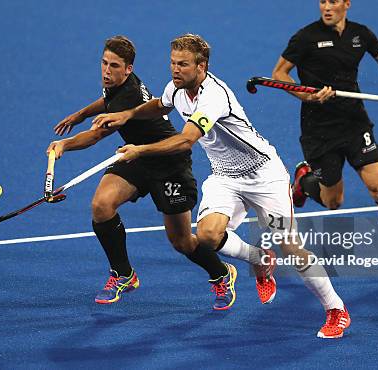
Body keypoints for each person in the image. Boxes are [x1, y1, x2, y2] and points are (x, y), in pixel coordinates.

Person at [93, 34, 351, 339]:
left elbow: (186, 139)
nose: (176, 70)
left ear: (202, 66)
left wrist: (140, 149)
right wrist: (129, 113)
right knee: (207, 235)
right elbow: (160, 105)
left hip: (265, 177)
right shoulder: (175, 87)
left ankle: (336, 309)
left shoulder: (213, 96)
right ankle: (259, 259)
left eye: (183, 64)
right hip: (225, 177)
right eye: (173, 63)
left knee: (291, 247)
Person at [47, 35, 267, 310]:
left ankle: (221, 273)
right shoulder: (118, 85)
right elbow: (106, 101)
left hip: (169, 162)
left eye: (114, 66)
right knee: (101, 205)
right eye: (104, 64)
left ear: (128, 69)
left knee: (182, 241)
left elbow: (94, 137)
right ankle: (124, 274)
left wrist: (64, 145)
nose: (106, 71)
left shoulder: (127, 96)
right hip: (137, 156)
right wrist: (80, 115)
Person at [271, 0, 378, 280]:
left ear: (346, 4)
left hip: (354, 122)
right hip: (318, 129)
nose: (326, 6)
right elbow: (279, 74)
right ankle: (304, 181)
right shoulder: (305, 38)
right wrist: (306, 95)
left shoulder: (361, 35)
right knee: (333, 201)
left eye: (333, 1)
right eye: (322, 1)